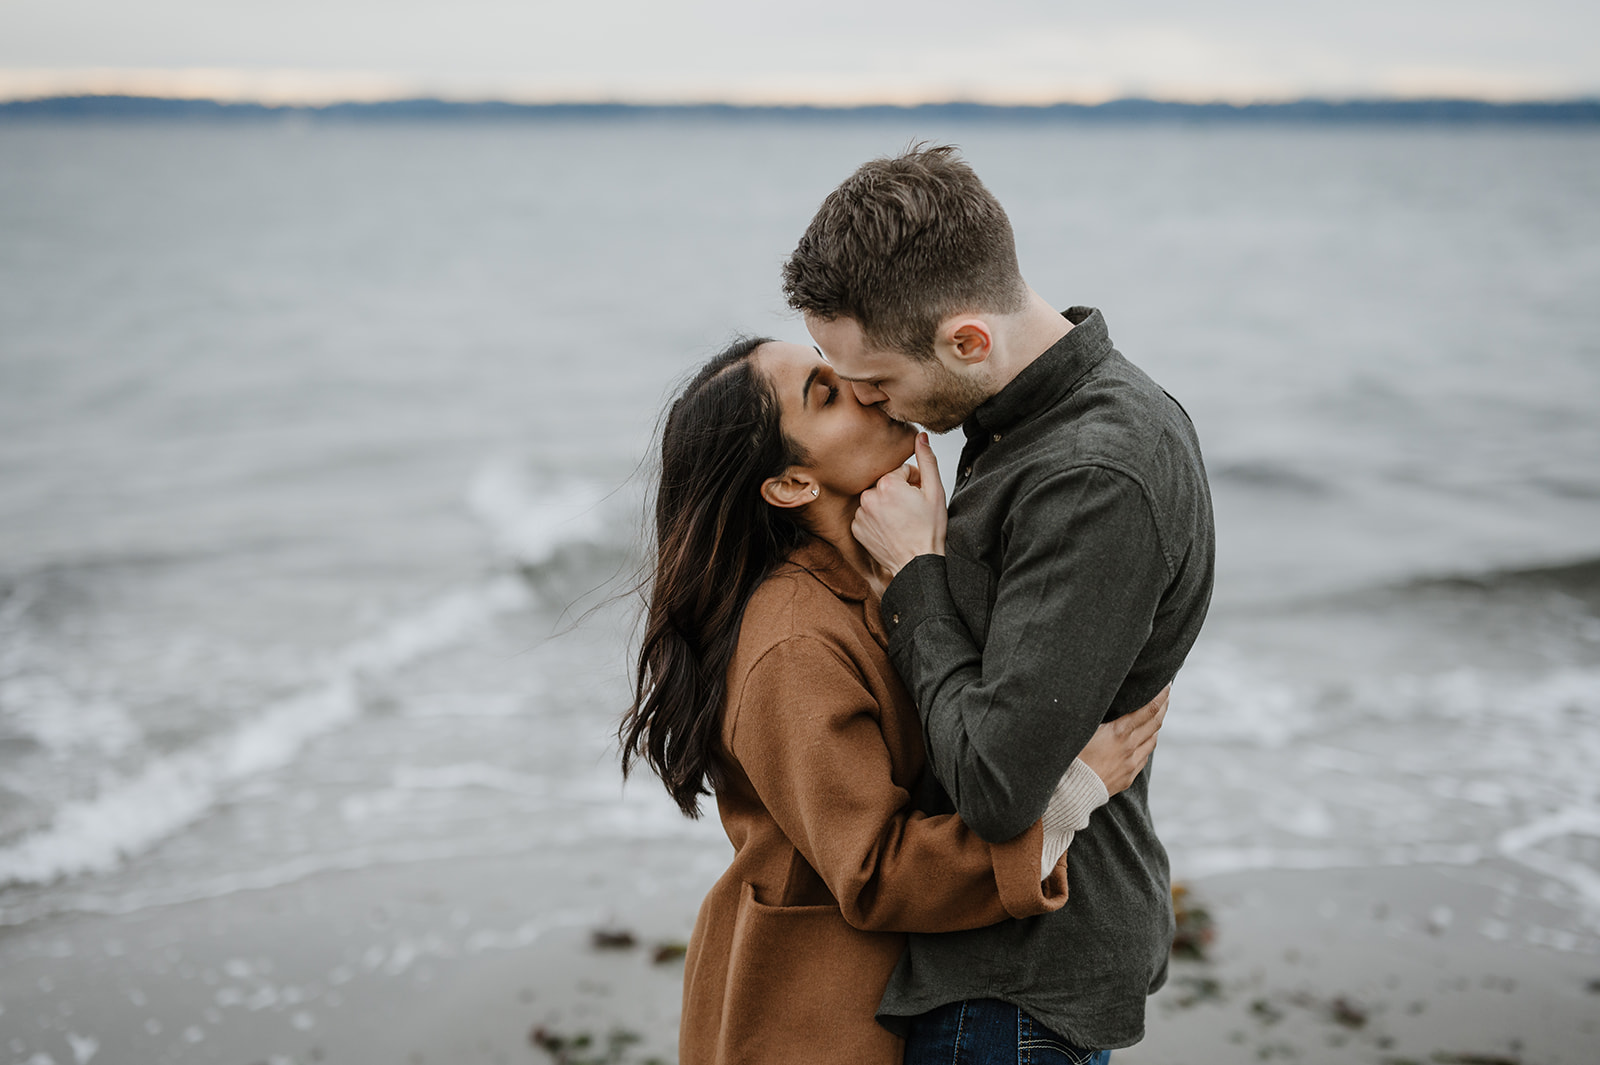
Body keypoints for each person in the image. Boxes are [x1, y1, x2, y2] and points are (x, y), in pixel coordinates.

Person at [620, 336, 1171, 1065]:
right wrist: (1070, 798)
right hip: (807, 1023)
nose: (862, 386)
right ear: (791, 485)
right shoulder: (794, 644)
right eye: (825, 393)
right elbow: (875, 870)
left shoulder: (877, 583)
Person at [782, 144, 1216, 1062]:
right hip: (995, 973)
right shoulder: (1024, 425)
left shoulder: (1093, 473)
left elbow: (992, 784)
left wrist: (913, 577)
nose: (868, 402)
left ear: (967, 340)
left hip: (1018, 990)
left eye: (880, 382)